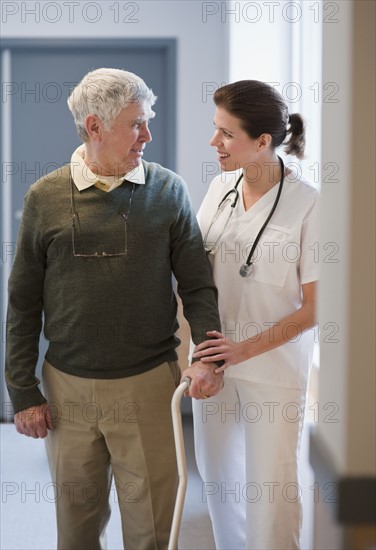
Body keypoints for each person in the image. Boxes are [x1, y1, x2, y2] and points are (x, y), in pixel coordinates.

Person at [5, 67, 224, 550]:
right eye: (137, 124)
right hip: (66, 390)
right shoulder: (45, 197)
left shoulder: (168, 191)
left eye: (148, 121)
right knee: (76, 530)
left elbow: (197, 286)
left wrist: (207, 358)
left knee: (151, 530)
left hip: (148, 383)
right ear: (95, 126)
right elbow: (22, 302)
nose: (148, 135)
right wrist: (22, 390)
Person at [189, 80, 319, 549]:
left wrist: (245, 349)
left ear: (262, 141)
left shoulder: (309, 204)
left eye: (226, 133)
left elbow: (315, 307)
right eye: (214, 129)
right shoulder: (219, 188)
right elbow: (195, 272)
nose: (214, 143)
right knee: (219, 481)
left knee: (272, 491)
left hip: (271, 367)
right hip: (215, 361)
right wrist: (206, 356)